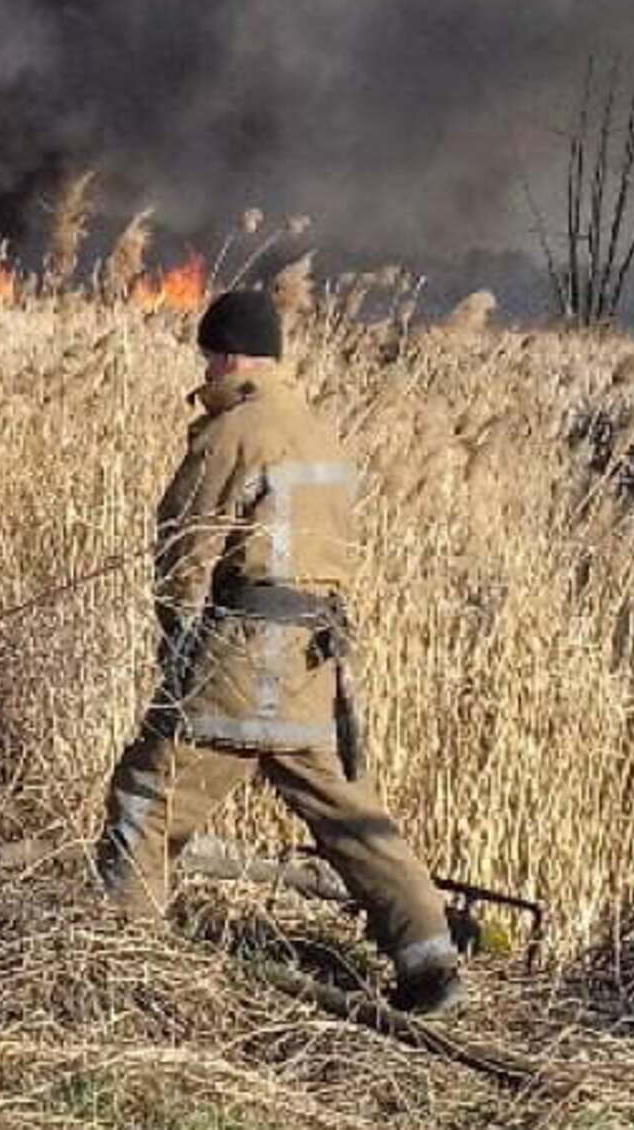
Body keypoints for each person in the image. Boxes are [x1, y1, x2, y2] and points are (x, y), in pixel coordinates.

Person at [93, 289, 463, 1015]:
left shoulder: (233, 431)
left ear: (226, 352)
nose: (205, 366)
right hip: (311, 662)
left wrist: (175, 641)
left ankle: (122, 969)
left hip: (237, 660)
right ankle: (431, 956)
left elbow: (183, 549)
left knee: (146, 796)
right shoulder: (321, 430)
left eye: (207, 353)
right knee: (346, 813)